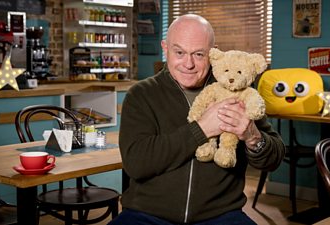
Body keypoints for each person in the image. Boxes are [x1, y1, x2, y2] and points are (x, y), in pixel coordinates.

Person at [109, 14, 286, 225]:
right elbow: (137, 164)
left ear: (213, 54)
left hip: (221, 215)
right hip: (147, 214)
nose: (189, 63)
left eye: (199, 54)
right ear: (165, 48)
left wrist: (252, 136)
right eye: (179, 52)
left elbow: (274, 157)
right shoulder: (141, 94)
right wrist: (201, 129)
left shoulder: (238, 91)